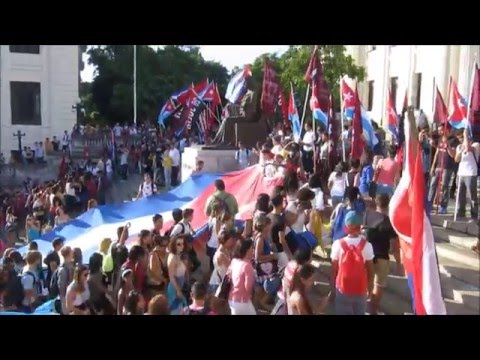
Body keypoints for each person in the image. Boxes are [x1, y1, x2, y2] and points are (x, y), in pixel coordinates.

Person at [330, 211, 374, 315]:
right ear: (360, 226)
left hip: (342, 288)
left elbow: (333, 271)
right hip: (360, 288)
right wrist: (370, 288)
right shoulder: (367, 245)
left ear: (346, 226)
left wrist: (332, 290)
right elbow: (371, 271)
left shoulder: (337, 244)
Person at [362, 194, 397, 315]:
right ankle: (373, 310)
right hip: (382, 256)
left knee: (367, 281)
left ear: (375, 203)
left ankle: (364, 307)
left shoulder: (367, 214)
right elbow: (394, 245)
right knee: (379, 284)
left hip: (366, 255)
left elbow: (362, 232)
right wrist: (398, 262)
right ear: (388, 204)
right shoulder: (389, 221)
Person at [428, 133, 457, 214]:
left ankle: (443, 206)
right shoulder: (440, 139)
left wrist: (447, 144)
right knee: (433, 185)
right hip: (438, 166)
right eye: (440, 130)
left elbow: (453, 155)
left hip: (447, 167)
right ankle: (429, 204)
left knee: (445, 186)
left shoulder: (454, 140)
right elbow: (437, 153)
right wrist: (433, 166)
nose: (440, 131)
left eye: (442, 129)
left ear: (448, 130)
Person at [454, 128, 479, 220]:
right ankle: (460, 214)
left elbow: (468, 148)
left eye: (461, 137)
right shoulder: (459, 146)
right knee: (460, 195)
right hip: (461, 173)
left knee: (472, 195)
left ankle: (474, 215)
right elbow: (456, 159)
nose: (460, 140)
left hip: (471, 173)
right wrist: (460, 150)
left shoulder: (475, 145)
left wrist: (465, 137)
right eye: (459, 138)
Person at [228, 238, 256, 315]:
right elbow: (248, 286)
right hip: (243, 300)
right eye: (251, 249)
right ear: (246, 250)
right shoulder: (247, 265)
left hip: (232, 299)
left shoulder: (234, 261)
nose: (253, 251)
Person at [209, 228, 237, 294]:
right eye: (230, 240)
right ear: (225, 240)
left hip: (221, 282)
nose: (232, 242)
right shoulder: (220, 255)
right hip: (217, 284)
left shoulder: (226, 251)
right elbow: (230, 268)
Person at [268, 194, 291, 268]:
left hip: (270, 250)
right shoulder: (280, 220)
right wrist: (289, 254)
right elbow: (282, 240)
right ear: (281, 204)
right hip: (279, 251)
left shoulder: (268, 216)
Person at [166, 235, 188, 314]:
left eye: (182, 243)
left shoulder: (178, 255)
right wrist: (178, 290)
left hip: (180, 286)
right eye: (179, 244)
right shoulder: (172, 258)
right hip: (174, 288)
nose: (182, 246)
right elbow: (171, 277)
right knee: (177, 311)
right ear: (173, 245)